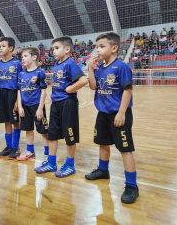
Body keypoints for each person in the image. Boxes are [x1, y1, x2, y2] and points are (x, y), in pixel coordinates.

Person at [86, 32, 139, 204]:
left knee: (125, 148)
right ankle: (103, 170)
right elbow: (93, 86)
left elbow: (128, 90)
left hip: (119, 113)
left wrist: (122, 112)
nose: (98, 50)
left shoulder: (121, 67)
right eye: (97, 47)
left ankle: (132, 185)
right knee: (103, 142)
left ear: (114, 48)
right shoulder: (100, 67)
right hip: (103, 113)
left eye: (102, 46)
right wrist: (91, 69)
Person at [34, 36, 88, 177]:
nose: (53, 51)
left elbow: (83, 80)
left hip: (67, 103)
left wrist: (70, 89)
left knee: (70, 135)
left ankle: (70, 165)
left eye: (57, 48)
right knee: (53, 134)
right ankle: (51, 163)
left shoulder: (70, 63)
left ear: (67, 49)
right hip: (56, 103)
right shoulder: (57, 63)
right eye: (53, 48)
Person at [16, 47, 48, 161]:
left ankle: (47, 153)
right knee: (28, 129)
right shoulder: (21, 74)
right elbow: (19, 91)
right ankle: (30, 151)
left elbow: (44, 91)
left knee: (44, 130)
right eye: (22, 57)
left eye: (25, 56)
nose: (22, 59)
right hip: (25, 106)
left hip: (37, 106)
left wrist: (40, 109)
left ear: (34, 57)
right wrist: (20, 106)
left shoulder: (40, 72)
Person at [0, 37, 22, 160]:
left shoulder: (17, 64)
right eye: (0, 46)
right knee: (6, 120)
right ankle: (8, 146)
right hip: (1, 94)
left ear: (11, 48)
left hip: (12, 94)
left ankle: (16, 147)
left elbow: (20, 84)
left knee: (15, 121)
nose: (0, 48)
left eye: (3, 46)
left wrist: (17, 100)